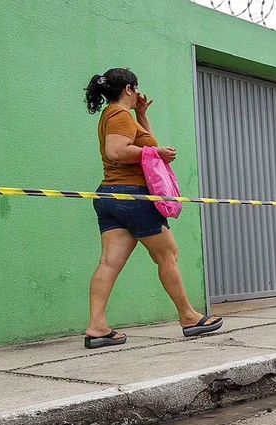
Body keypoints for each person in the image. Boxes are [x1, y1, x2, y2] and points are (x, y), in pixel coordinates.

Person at [81, 68, 221, 349]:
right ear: (130, 89)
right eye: (137, 89)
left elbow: (144, 143)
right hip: (133, 197)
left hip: (110, 195)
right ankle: (188, 316)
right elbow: (117, 151)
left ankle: (97, 326)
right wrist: (157, 153)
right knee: (168, 254)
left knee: (109, 263)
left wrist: (142, 115)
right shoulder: (119, 116)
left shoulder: (117, 116)